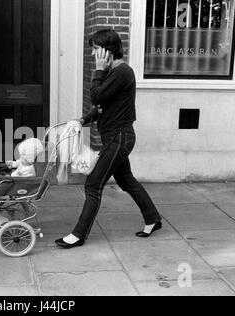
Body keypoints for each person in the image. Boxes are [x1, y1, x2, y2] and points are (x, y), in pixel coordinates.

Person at [55, 29, 163, 249]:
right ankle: (153, 219)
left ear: (107, 50)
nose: (94, 54)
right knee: (126, 180)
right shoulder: (114, 72)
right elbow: (103, 106)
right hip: (116, 137)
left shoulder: (122, 72)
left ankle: (78, 235)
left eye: (96, 49)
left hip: (120, 138)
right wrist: (83, 119)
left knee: (93, 185)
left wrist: (98, 71)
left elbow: (96, 96)